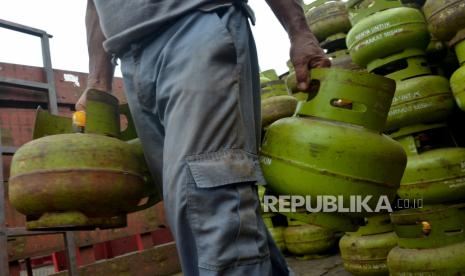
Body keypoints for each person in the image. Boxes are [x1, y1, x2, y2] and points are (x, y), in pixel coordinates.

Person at [77, 0, 330, 275]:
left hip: (196, 23)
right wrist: (97, 81)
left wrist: (299, 30)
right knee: (191, 210)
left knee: (208, 200)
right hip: (130, 57)